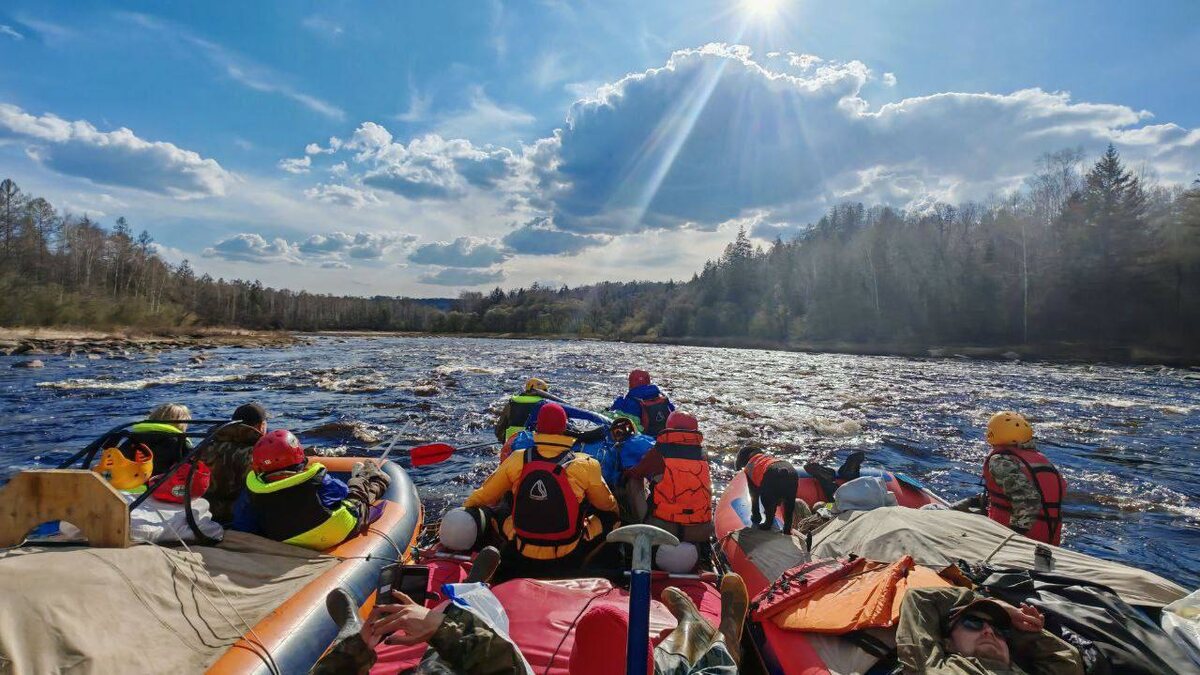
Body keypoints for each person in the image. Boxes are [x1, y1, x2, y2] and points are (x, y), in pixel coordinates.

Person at [311, 572, 751, 675]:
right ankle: (718, 636)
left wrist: (353, 651)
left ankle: (469, 588)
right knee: (701, 664)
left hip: (532, 543)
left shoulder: (521, 452)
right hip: (567, 541)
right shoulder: (580, 465)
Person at [464, 402, 619, 580]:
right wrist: (615, 510)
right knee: (611, 517)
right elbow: (607, 504)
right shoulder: (586, 464)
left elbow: (485, 495)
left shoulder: (517, 458)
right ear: (565, 429)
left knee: (498, 507)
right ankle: (604, 563)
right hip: (569, 549)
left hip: (522, 545)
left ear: (537, 429)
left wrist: (467, 508)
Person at [231, 429, 389, 550]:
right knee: (355, 496)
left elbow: (243, 523)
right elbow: (342, 492)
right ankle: (371, 478)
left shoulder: (253, 492)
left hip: (288, 541)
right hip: (336, 531)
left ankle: (363, 478)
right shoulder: (317, 480)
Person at [896, 586, 1084, 674]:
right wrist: (996, 604)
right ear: (948, 644)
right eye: (973, 623)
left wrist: (1022, 629)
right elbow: (919, 599)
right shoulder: (933, 667)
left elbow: (1068, 658)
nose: (989, 631)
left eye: (999, 631)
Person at [624, 411, 714, 544]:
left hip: (663, 530)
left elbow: (636, 473)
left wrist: (626, 472)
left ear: (668, 427)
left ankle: (637, 526)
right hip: (701, 531)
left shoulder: (661, 450)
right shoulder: (703, 454)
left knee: (633, 481)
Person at [982, 411, 1067, 546]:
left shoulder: (999, 460)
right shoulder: (1041, 459)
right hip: (1048, 541)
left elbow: (1029, 501)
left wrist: (1014, 536)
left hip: (1015, 542)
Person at [200, 402, 268, 524]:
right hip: (237, 517)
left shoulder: (206, 446)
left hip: (204, 511)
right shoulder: (257, 454)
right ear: (261, 426)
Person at [734, 447, 799, 533]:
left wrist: (755, 515)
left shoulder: (750, 466)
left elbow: (754, 494)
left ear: (742, 459)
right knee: (789, 502)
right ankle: (787, 528)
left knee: (767, 499)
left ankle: (767, 522)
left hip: (771, 473)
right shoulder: (767, 458)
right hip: (790, 470)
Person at [124, 402, 194, 475]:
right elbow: (197, 465)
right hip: (165, 484)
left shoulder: (133, 438)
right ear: (182, 423)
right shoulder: (180, 442)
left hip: (131, 483)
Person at [493, 377, 565, 442]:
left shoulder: (511, 403)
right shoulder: (545, 405)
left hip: (511, 441)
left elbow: (500, 428)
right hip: (533, 442)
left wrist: (502, 441)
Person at [610, 369, 676, 436]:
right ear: (648, 381)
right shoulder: (662, 397)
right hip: (664, 435)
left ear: (631, 383)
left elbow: (613, 416)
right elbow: (673, 412)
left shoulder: (626, 401)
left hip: (644, 439)